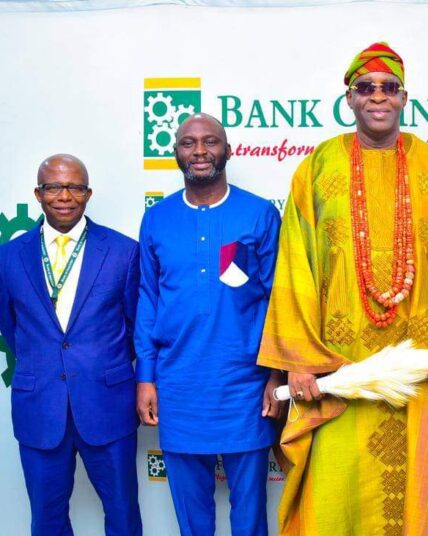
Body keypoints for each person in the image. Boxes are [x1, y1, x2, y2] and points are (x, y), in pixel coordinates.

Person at [257, 42, 428, 535]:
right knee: (337, 497)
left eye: (388, 88)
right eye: (366, 88)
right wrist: (297, 358)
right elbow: (295, 265)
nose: (377, 97)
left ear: (404, 98)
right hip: (339, 370)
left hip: (419, 368)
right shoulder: (317, 168)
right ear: (349, 98)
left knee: (418, 498)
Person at [135, 113, 283, 535]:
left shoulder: (258, 215)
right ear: (176, 152)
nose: (200, 151)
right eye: (188, 143)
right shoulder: (158, 219)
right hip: (177, 387)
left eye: (210, 141)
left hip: (246, 387)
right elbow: (149, 300)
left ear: (228, 150)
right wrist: (146, 378)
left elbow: (278, 302)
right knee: (192, 519)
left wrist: (276, 375)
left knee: (250, 517)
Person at [0, 154, 142, 535]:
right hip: (39, 407)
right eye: (54, 187)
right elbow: (10, 328)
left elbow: (134, 330)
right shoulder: (8, 256)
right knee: (46, 520)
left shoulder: (123, 251)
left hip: (107, 404)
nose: (65, 196)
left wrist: (97, 364)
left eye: (75, 187)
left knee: (123, 514)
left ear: (88, 193)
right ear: (38, 193)